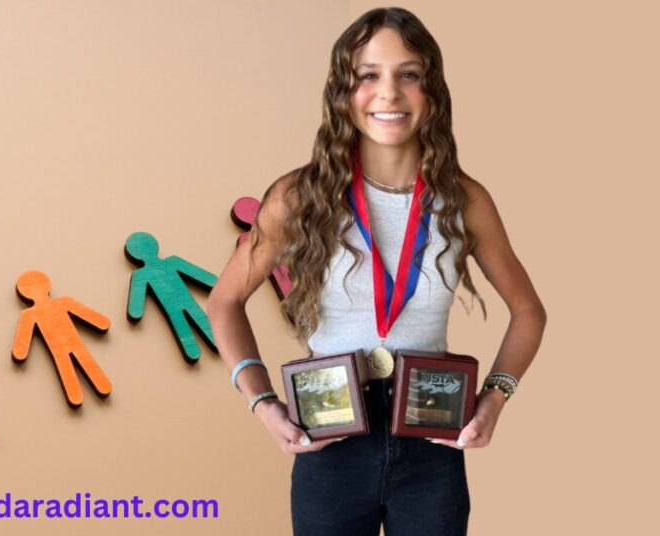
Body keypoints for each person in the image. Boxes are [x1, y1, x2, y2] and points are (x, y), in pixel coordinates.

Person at [206, 7, 546, 535]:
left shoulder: (465, 200)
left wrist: (494, 400)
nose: (389, 93)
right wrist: (263, 403)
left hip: (430, 440)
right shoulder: (299, 196)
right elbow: (224, 301)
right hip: (331, 437)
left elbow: (528, 312)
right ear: (343, 91)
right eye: (368, 75)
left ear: (431, 90)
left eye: (408, 74)